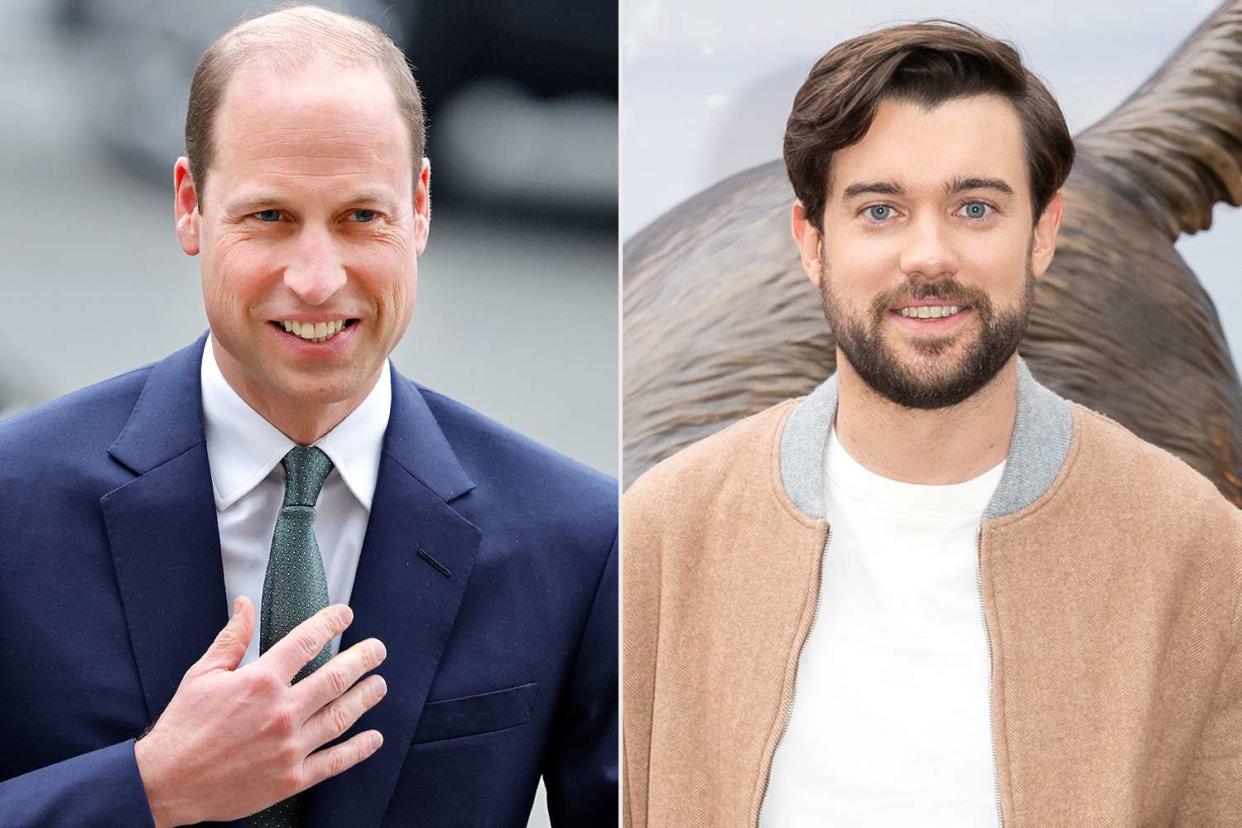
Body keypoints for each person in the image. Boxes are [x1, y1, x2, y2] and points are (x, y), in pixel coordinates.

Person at [0, 6, 616, 827]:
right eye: (270, 217)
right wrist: (149, 788)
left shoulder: (576, 536)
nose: (319, 280)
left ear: (420, 208)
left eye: (362, 216)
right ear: (190, 206)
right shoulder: (15, 497)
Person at [623, 21, 1241, 827]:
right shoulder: (660, 537)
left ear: (1044, 234)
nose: (928, 255)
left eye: (975, 207)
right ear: (810, 243)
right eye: (879, 210)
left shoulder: (1198, 552)